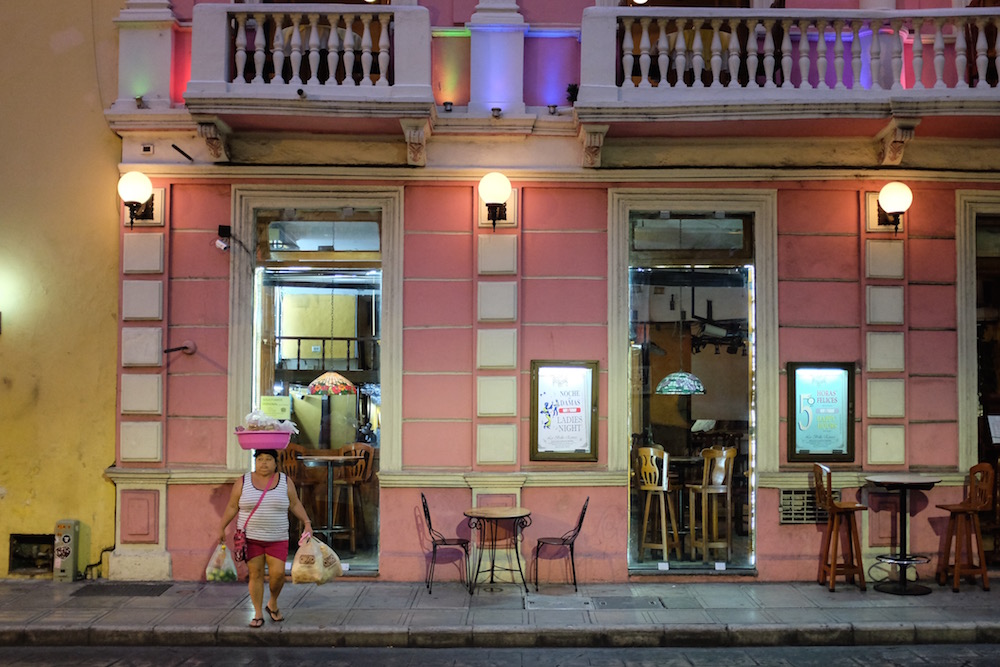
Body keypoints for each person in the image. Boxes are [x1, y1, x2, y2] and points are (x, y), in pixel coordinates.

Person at [218, 448, 312, 628]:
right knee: (256, 574)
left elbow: (294, 504)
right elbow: (232, 506)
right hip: (251, 538)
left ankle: (272, 603)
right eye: (260, 459)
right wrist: (222, 527)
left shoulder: (284, 481)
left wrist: (307, 522)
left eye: (268, 459)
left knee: (278, 575)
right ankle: (258, 613)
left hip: (278, 537)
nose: (264, 463)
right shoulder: (243, 481)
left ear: (276, 463)